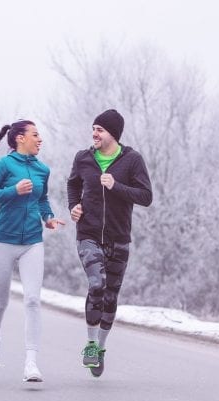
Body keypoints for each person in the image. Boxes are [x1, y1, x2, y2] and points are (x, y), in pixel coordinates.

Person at [0, 119, 64, 382]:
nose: (40, 139)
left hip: (32, 241)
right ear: (20, 138)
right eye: (35, 135)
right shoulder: (4, 165)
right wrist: (13, 190)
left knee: (33, 300)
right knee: (0, 303)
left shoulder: (42, 169)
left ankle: (31, 363)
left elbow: (42, 199)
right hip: (3, 241)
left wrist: (48, 217)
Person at [67, 109, 152, 377]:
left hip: (119, 238)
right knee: (96, 284)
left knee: (111, 295)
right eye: (93, 128)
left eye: (100, 129)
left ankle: (100, 349)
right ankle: (90, 345)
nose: (94, 133)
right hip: (89, 234)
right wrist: (74, 206)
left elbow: (146, 196)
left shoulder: (132, 160)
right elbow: (72, 185)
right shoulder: (83, 158)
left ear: (113, 134)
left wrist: (116, 186)